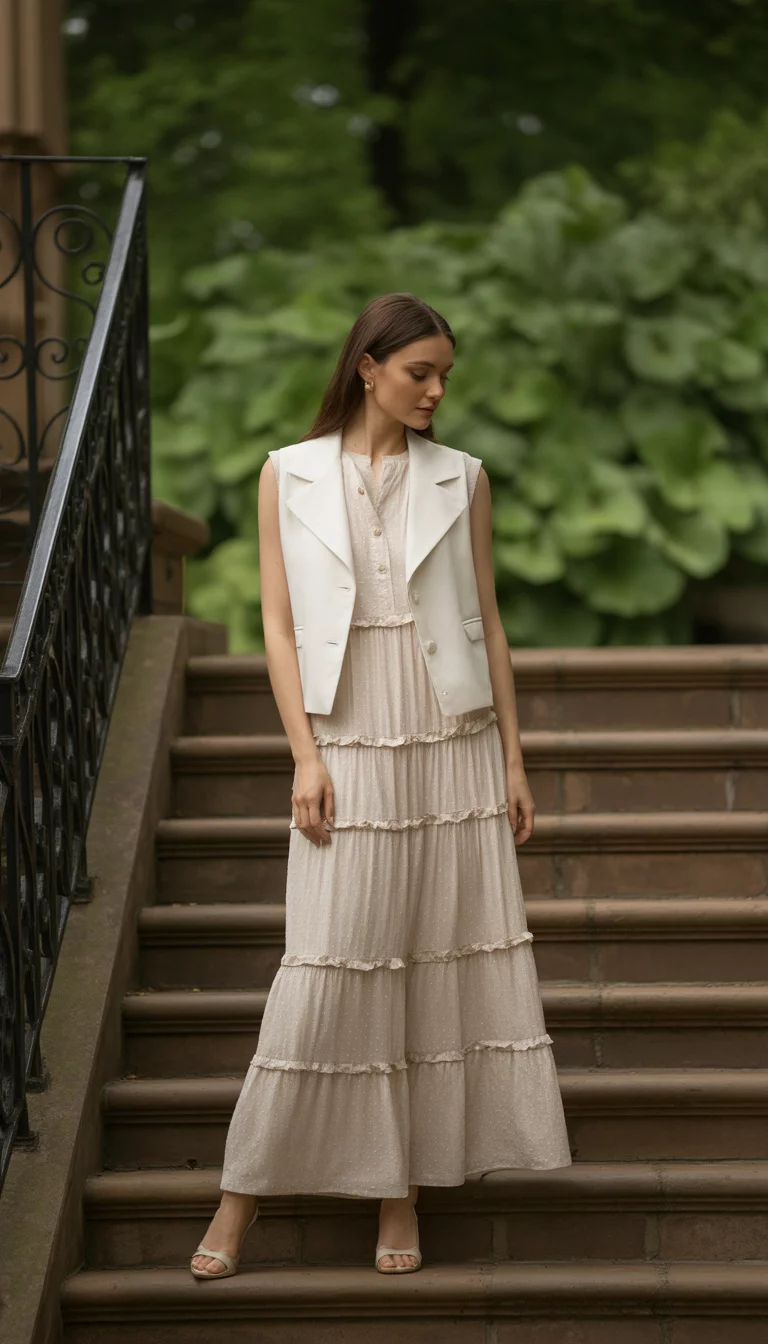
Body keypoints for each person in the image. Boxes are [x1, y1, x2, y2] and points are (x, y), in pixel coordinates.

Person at [190, 291, 571, 1281]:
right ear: (367, 366)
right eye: (420, 372)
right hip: (348, 732)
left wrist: (516, 760)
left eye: (445, 375)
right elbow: (276, 624)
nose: (437, 391)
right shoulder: (289, 474)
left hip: (453, 739)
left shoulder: (462, 478)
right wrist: (305, 756)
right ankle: (241, 1196)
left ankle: (398, 1191)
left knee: (427, 960)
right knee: (328, 962)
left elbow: (486, 621)